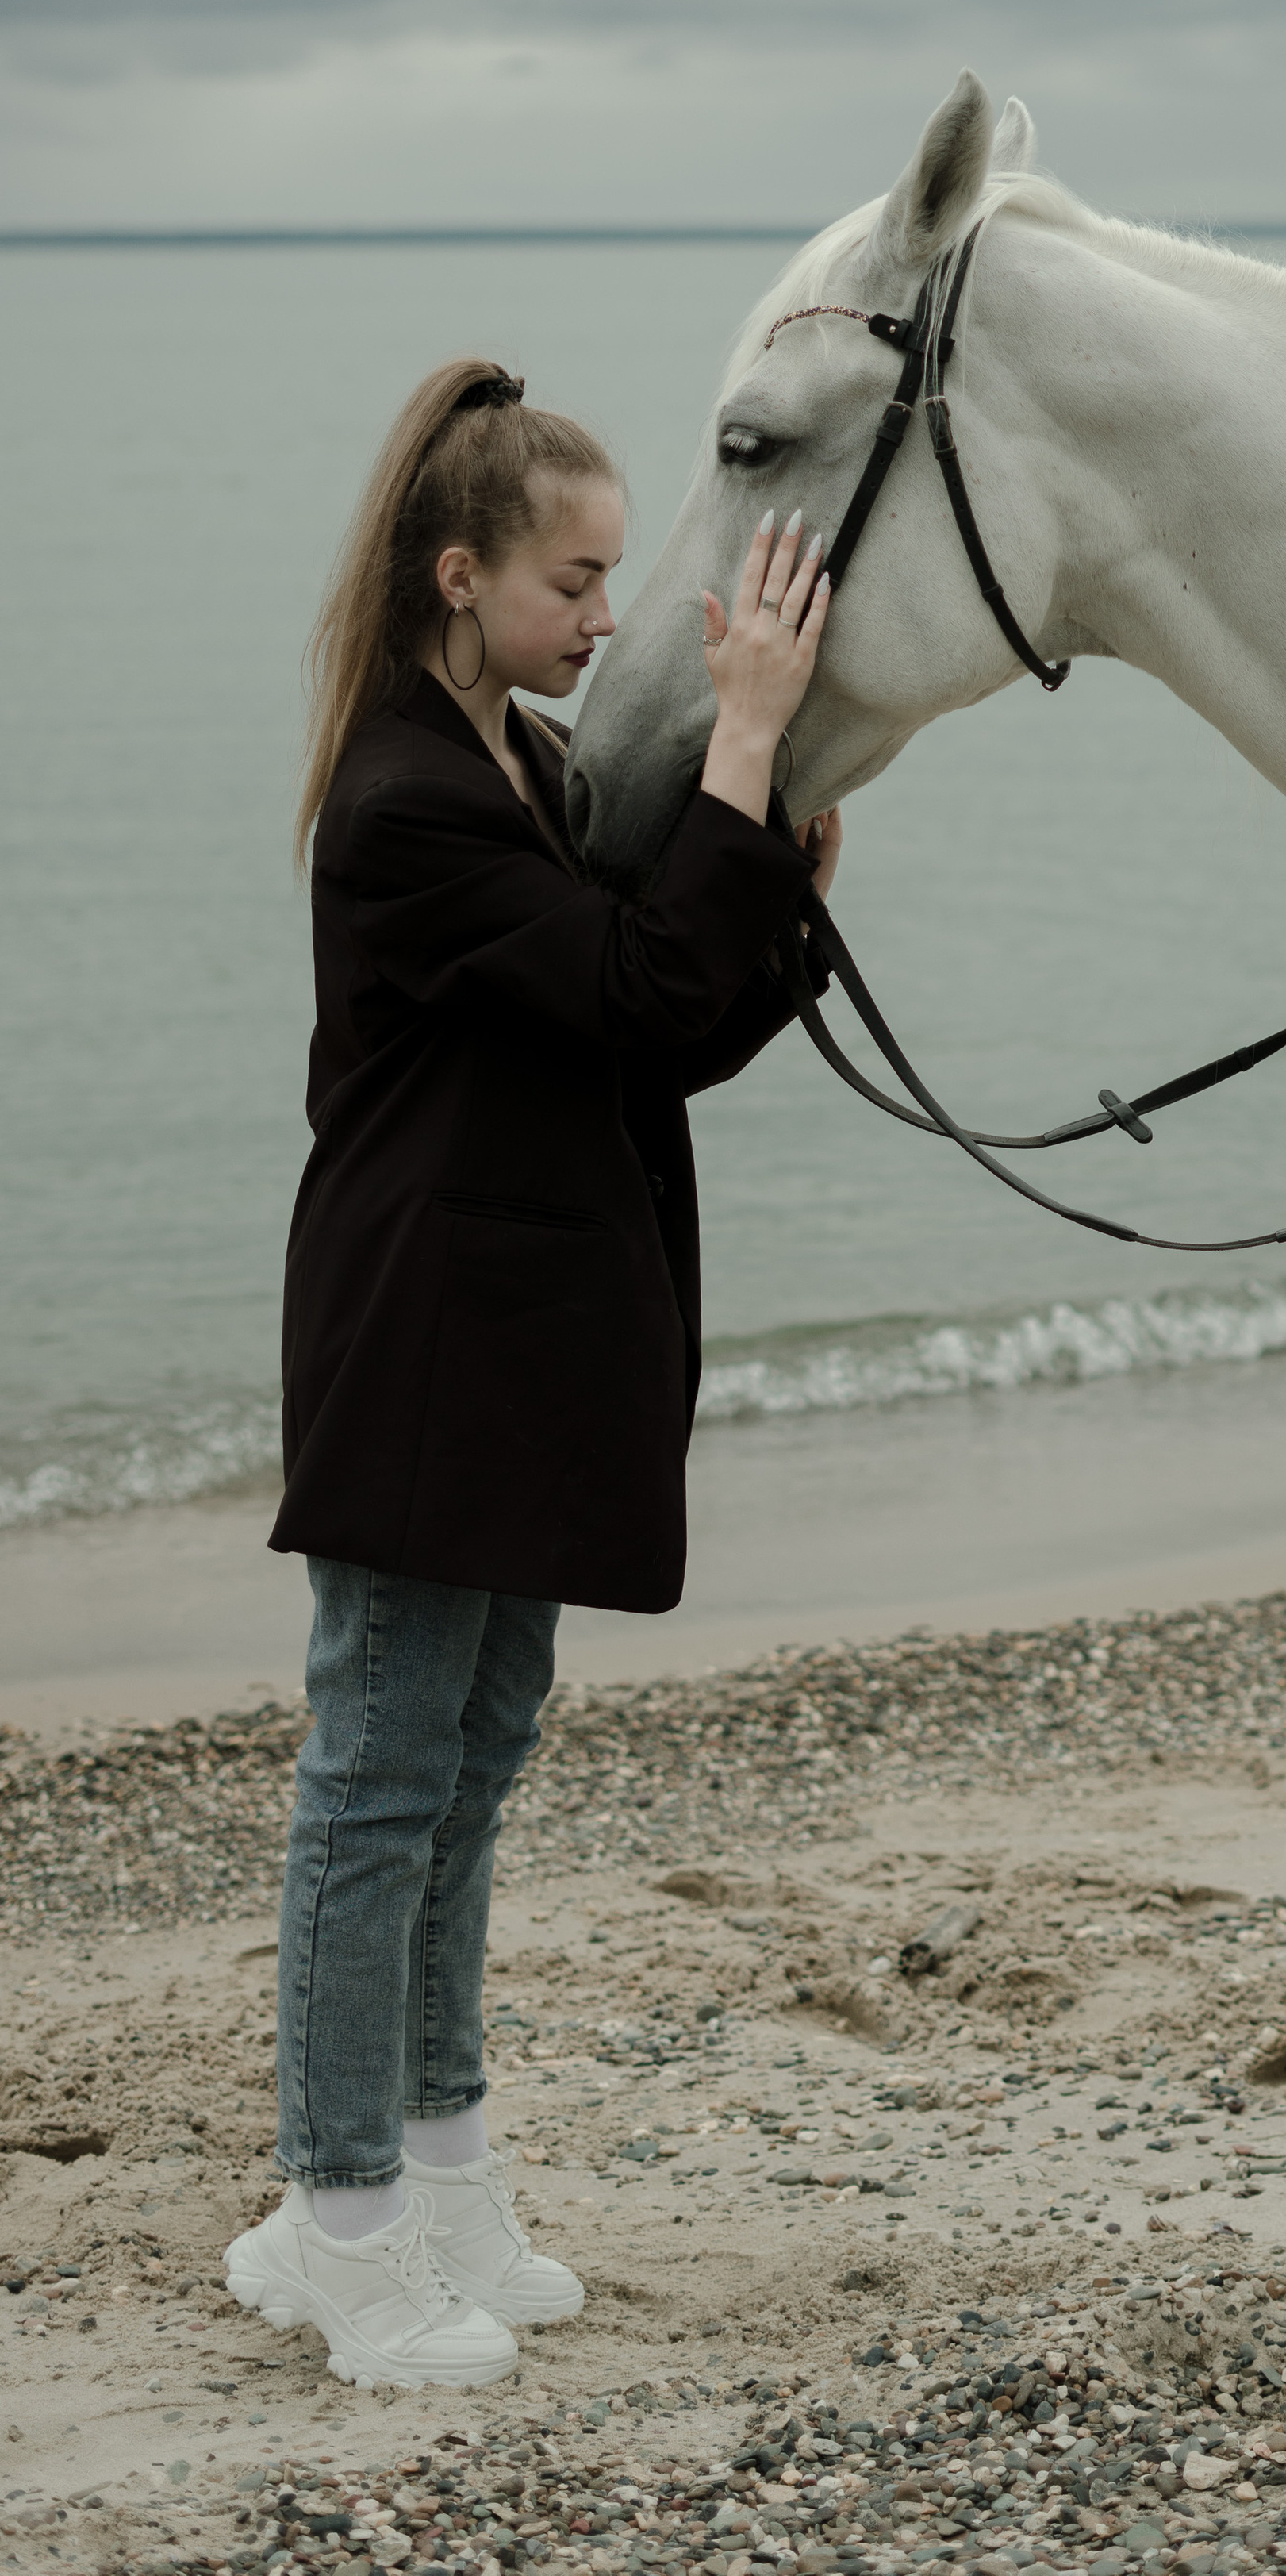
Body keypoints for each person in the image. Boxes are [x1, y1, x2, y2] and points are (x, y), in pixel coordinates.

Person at [223, 359, 839, 2391]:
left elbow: (660, 1033)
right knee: (377, 1782)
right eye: (578, 580)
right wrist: (739, 742)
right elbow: (639, 979)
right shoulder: (403, 799)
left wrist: (782, 888)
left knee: (469, 1771)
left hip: (524, 1339)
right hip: (420, 1346)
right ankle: (337, 2221)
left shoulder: (536, 766)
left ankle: (443, 2173)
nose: (612, 617)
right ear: (462, 573)